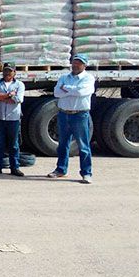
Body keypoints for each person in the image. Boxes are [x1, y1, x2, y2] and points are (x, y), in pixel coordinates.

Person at [48, 54, 95, 184]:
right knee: (63, 144)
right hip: (64, 114)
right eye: (74, 62)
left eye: (79, 63)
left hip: (79, 115)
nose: (75, 65)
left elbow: (81, 92)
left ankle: (86, 173)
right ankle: (61, 169)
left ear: (84, 65)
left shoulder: (88, 78)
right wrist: (71, 90)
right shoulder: (64, 77)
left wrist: (66, 88)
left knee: (83, 145)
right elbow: (57, 93)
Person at [0, 63, 25, 177]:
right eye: (5, 71)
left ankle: (15, 167)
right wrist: (9, 95)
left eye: (10, 71)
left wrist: (2, 97)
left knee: (14, 144)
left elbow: (18, 99)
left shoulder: (19, 84)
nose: (7, 73)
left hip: (13, 118)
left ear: (14, 72)